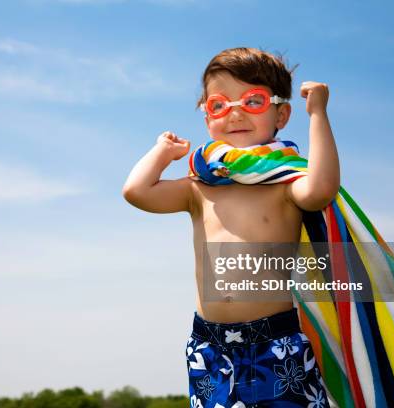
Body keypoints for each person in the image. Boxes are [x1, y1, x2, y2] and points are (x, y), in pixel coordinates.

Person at [122, 47, 335, 407]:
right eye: (219, 105)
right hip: (209, 344)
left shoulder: (284, 182)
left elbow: (320, 190)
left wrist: (318, 115)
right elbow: (137, 192)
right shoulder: (198, 186)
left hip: (275, 340)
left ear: (281, 113)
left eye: (252, 100)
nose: (234, 112)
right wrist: (162, 151)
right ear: (208, 117)